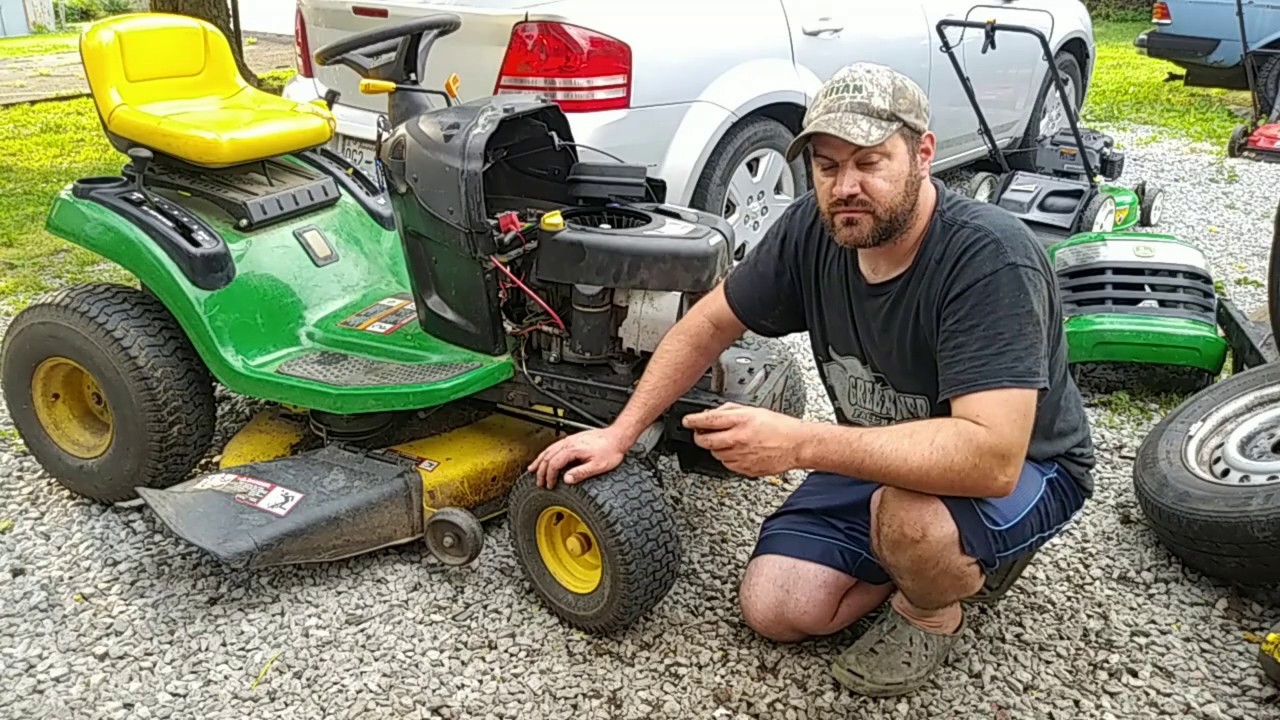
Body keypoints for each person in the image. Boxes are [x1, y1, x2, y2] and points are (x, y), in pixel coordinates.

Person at [526, 62, 1095, 698]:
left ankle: (932, 607)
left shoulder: (989, 259)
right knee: (776, 606)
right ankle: (926, 556)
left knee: (912, 519)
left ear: (923, 154)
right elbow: (708, 322)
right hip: (884, 458)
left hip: (1029, 467)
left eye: (870, 161)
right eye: (827, 166)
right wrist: (619, 433)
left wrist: (799, 444)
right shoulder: (812, 229)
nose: (845, 185)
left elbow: (990, 458)